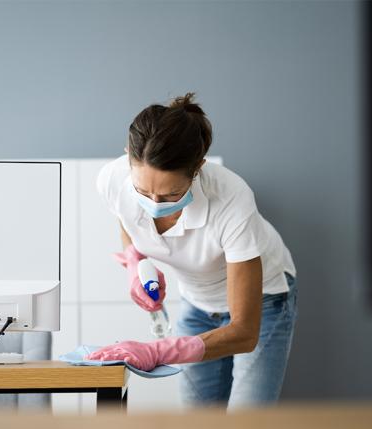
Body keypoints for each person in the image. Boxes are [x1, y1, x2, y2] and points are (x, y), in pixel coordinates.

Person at [85, 92, 298, 409]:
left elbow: (244, 332)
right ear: (128, 155)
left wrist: (159, 351)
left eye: (171, 194)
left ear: (197, 168)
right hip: (197, 302)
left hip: (264, 300)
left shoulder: (231, 199)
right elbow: (126, 221)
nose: (155, 204)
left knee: (247, 426)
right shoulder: (113, 179)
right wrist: (136, 263)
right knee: (198, 423)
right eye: (143, 192)